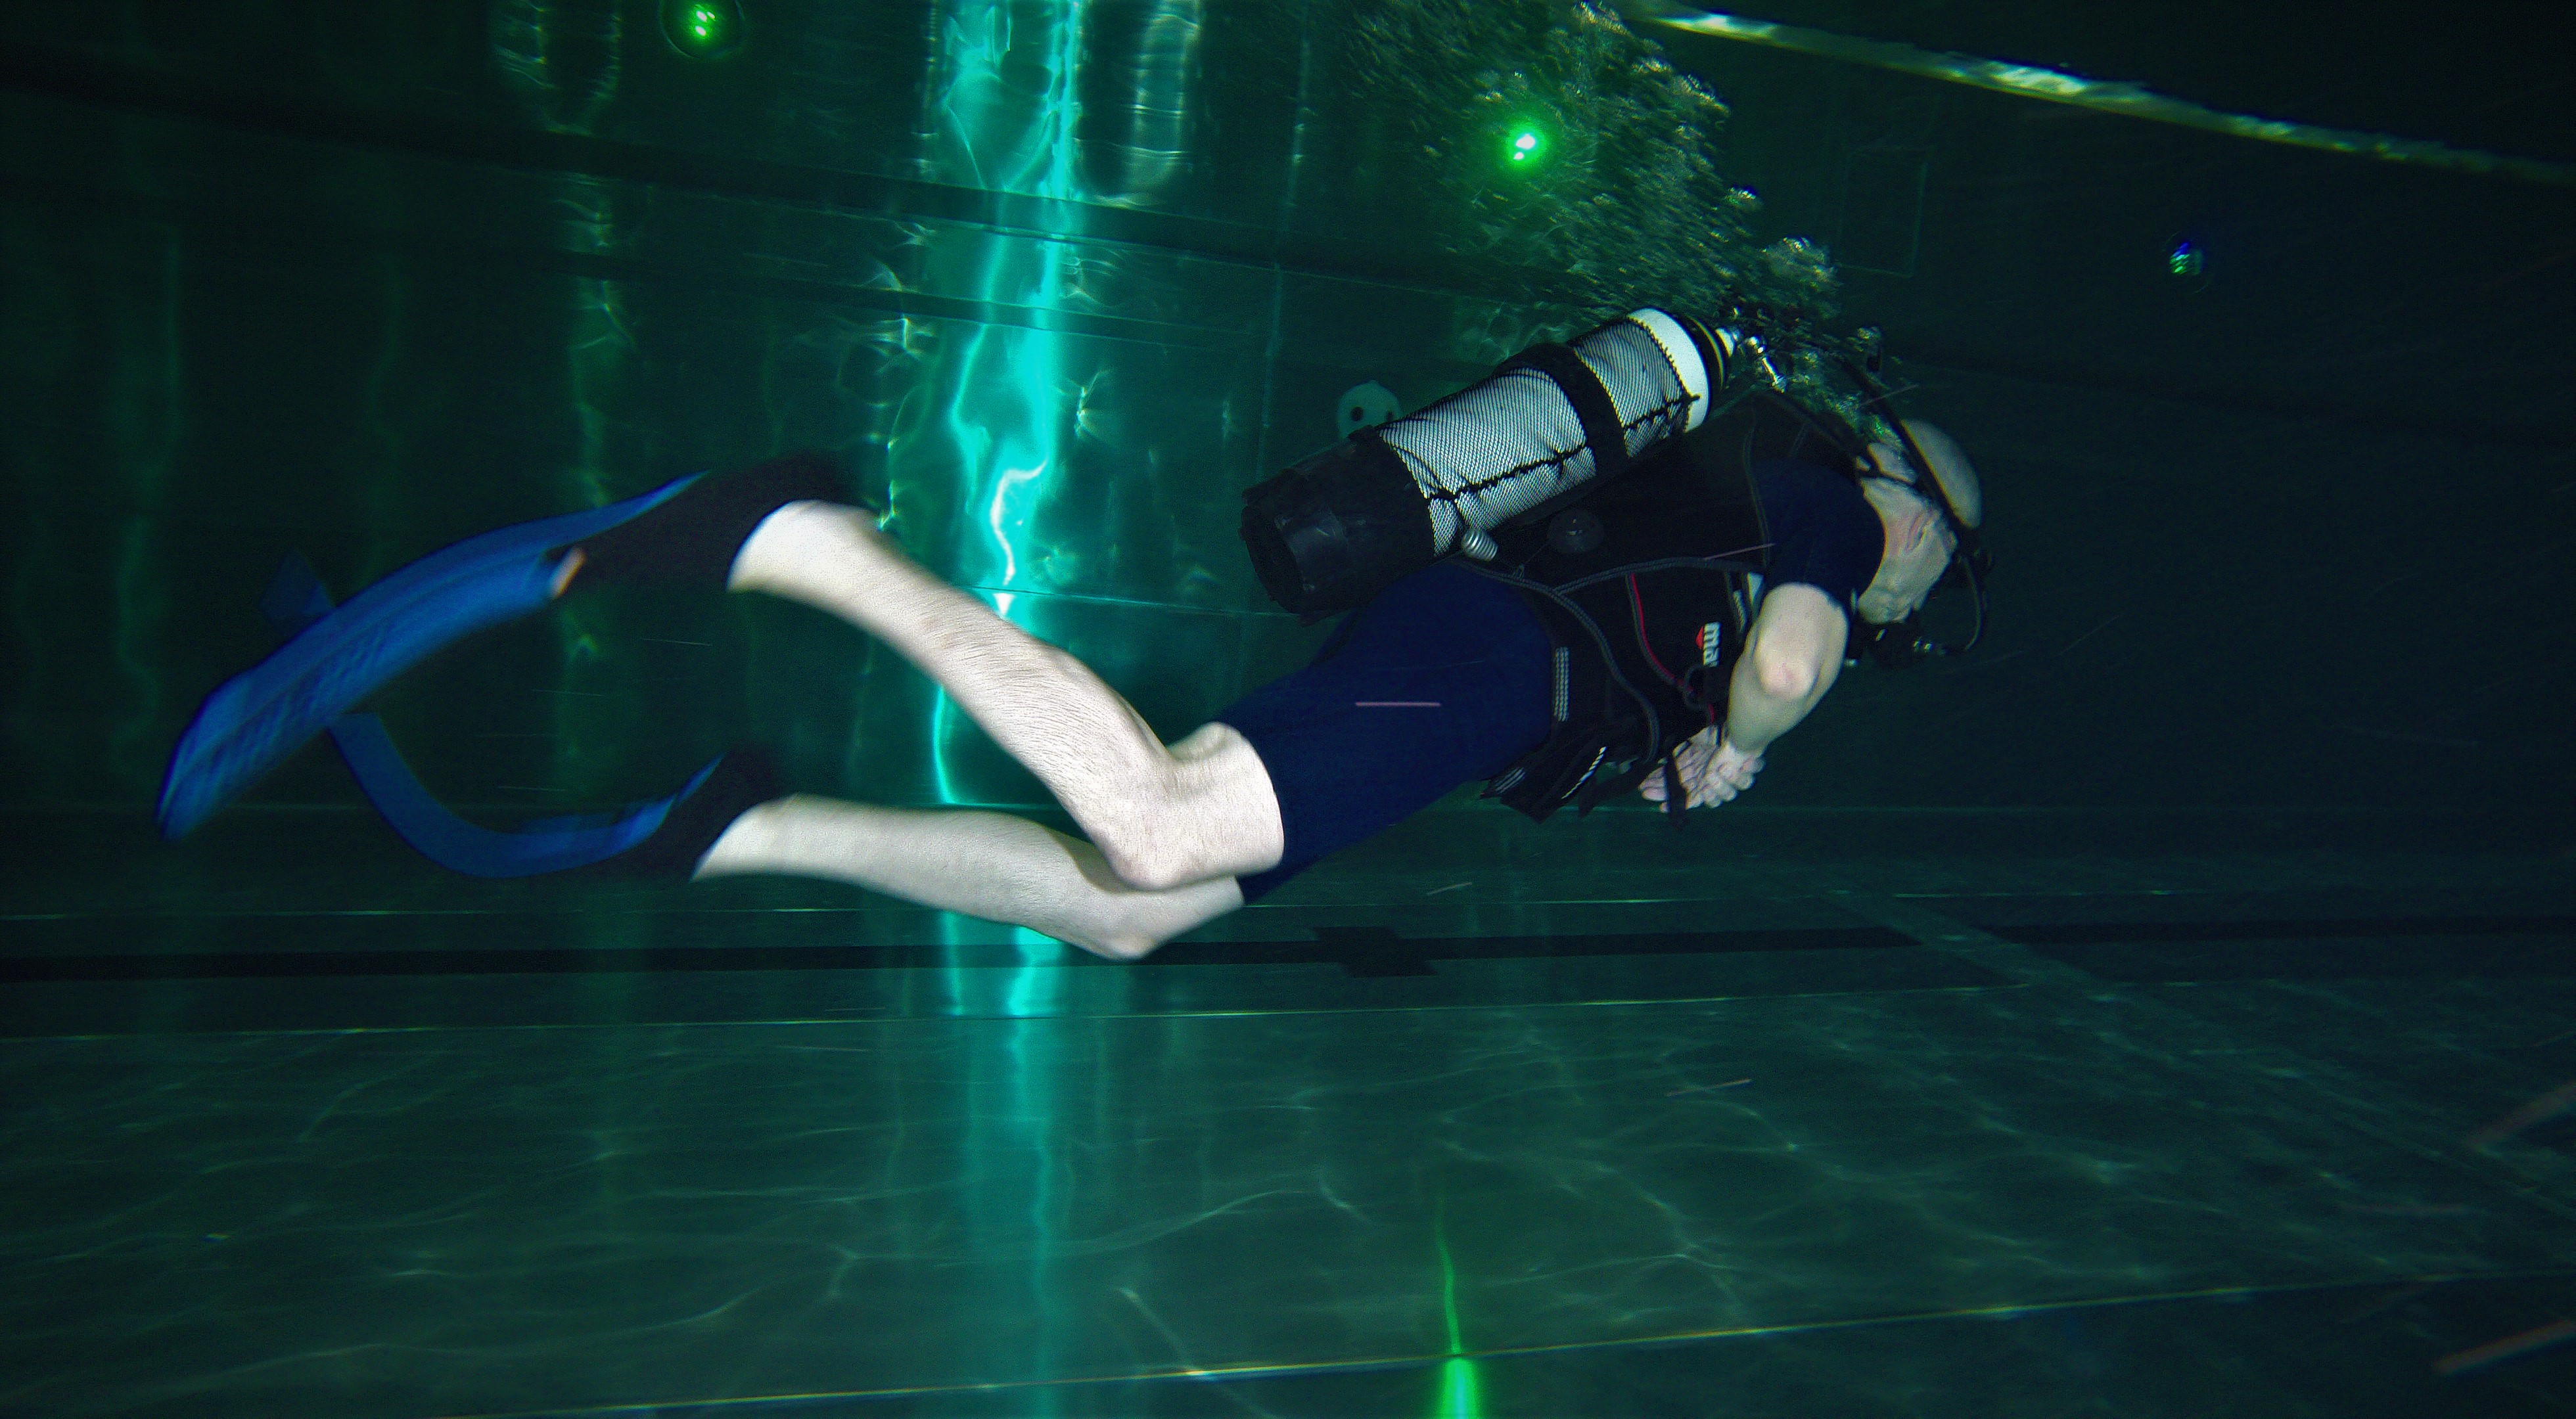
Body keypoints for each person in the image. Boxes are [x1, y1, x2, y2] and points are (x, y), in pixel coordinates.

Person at [158, 308, 1985, 962]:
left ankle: (736, 826)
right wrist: (1741, 739)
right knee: (1166, 821)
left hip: (1488, 681)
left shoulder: (1754, 507)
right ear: (1900, 482)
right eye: (1942, 540)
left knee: (1130, 911)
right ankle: (805, 544)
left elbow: (1721, 645)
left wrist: (1685, 738)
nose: (1924, 572)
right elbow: (1793, 667)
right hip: (1499, 659)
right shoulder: (1824, 489)